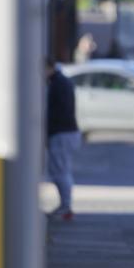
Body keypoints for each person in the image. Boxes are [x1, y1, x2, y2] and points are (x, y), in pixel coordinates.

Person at [46, 60, 81, 221]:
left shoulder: (57, 84)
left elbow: (56, 112)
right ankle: (65, 206)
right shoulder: (61, 82)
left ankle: (66, 206)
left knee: (60, 171)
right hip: (66, 131)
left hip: (61, 133)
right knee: (61, 170)